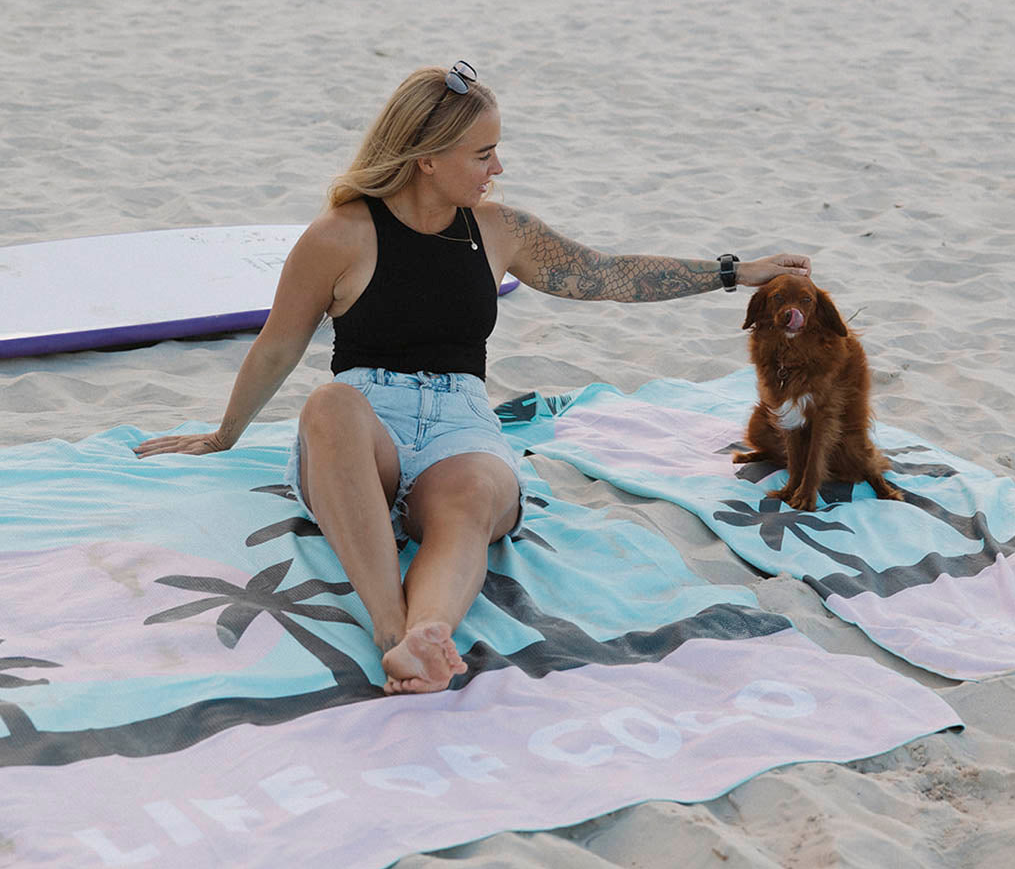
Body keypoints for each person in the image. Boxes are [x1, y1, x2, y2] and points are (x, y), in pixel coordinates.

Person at [134, 61, 811, 695]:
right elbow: (279, 347)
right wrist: (224, 435)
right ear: (426, 158)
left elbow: (605, 276)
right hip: (367, 429)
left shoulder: (498, 230)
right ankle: (393, 632)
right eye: (482, 154)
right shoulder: (339, 236)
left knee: (478, 489)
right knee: (329, 401)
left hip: (461, 428)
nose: (498, 168)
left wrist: (733, 272)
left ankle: (430, 634)